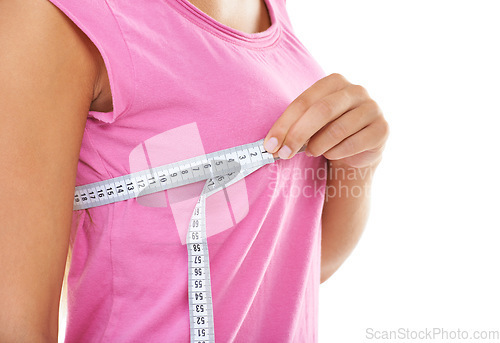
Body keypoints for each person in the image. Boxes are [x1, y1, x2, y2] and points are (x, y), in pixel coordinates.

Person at [0, 0, 389, 341]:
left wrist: (360, 165)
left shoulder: (272, 8)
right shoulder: (52, 15)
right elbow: (16, 329)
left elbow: (296, 267)